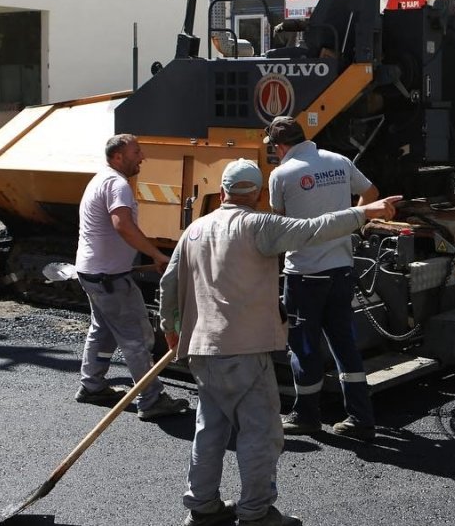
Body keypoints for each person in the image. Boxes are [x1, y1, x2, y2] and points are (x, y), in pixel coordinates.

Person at [159, 159, 399, 526]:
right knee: (259, 433)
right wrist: (363, 211)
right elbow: (312, 229)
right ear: (256, 195)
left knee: (210, 430)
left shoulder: (195, 230)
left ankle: (202, 505)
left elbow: (168, 285)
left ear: (222, 192)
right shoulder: (259, 225)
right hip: (243, 349)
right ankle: (256, 513)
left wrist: (171, 329)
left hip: (201, 350)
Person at [265, 116, 378, 441]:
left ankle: (305, 415)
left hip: (304, 274)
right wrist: (351, 225)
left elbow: (279, 224)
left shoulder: (282, 174)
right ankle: (360, 416)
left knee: (303, 346)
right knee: (344, 343)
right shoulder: (338, 161)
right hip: (341, 268)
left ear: (279, 146)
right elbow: (371, 192)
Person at [73, 134, 190, 421]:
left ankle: (92, 385)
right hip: (109, 278)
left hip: (93, 272)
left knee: (102, 329)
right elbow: (122, 225)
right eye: (136, 152)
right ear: (117, 157)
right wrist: (156, 255)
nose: (142, 157)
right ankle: (151, 400)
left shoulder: (100, 178)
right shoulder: (117, 184)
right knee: (136, 337)